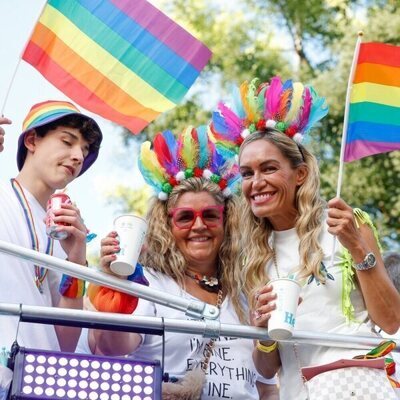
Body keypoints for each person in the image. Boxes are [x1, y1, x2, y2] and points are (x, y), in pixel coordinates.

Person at [211, 76, 400, 399]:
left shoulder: (346, 224)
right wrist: (263, 330)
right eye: (246, 173)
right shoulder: (253, 256)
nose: (256, 183)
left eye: (268, 168)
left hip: (357, 386)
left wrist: (356, 246)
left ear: (300, 174)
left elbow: (391, 320)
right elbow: (267, 368)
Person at [78, 126, 278, 399]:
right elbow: (112, 348)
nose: (199, 226)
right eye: (185, 217)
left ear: (226, 222)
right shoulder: (149, 284)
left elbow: (266, 386)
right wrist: (115, 285)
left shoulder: (248, 292)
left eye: (210, 215)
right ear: (167, 226)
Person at [0, 100, 103, 362]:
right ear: (32, 141)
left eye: (84, 149)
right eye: (67, 142)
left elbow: (65, 343)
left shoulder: (64, 234)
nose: (79, 156)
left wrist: (77, 261)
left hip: (29, 382)